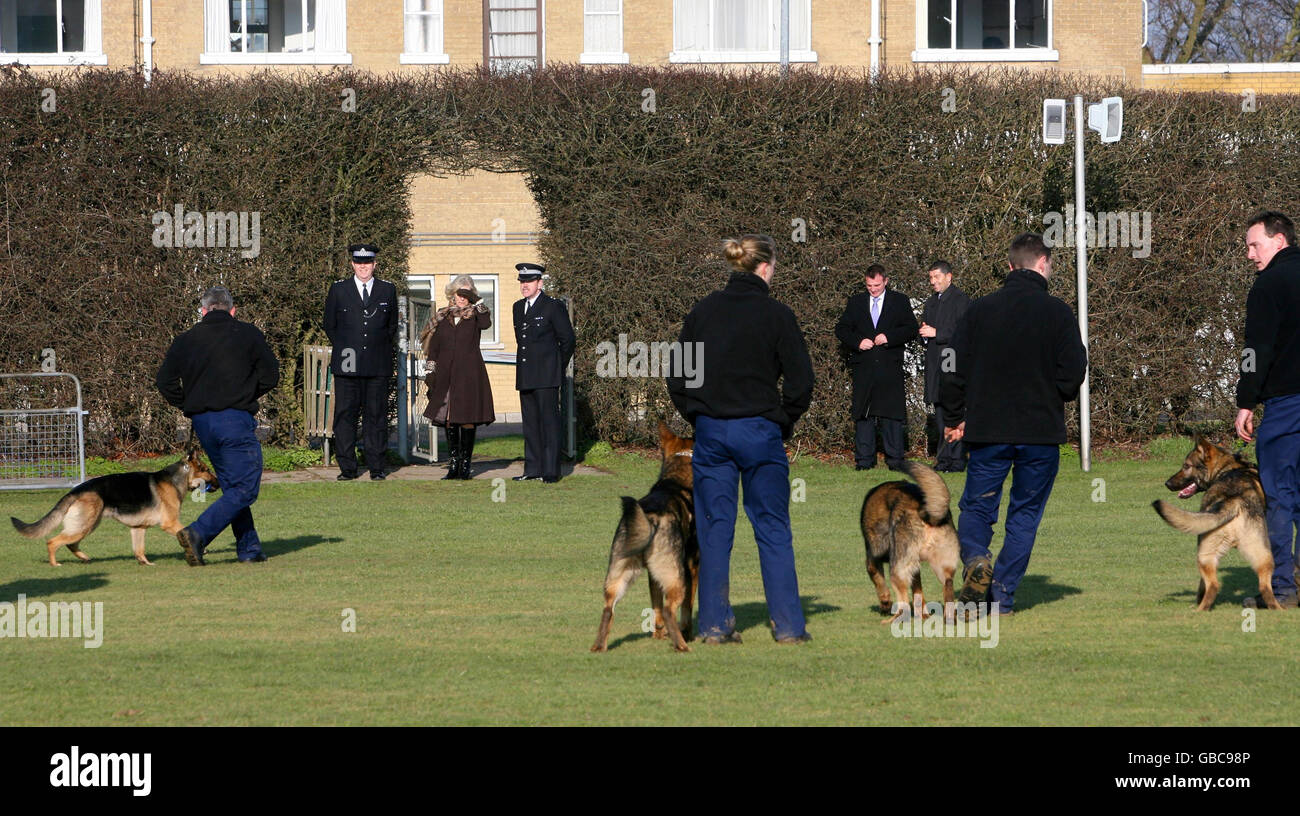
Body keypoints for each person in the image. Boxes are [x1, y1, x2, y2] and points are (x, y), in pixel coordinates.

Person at [667, 234, 816, 644]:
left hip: (712, 431)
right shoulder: (777, 315)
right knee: (772, 526)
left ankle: (715, 625)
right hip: (760, 430)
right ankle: (788, 626)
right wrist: (783, 420)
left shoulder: (703, 312)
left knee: (714, 528)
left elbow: (677, 379)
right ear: (765, 268)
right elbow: (802, 382)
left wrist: (698, 415)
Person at [941, 233, 1086, 615]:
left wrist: (955, 414)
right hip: (1040, 433)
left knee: (977, 507)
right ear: (1043, 264)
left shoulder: (979, 311)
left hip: (989, 430)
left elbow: (950, 366)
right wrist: (1051, 394)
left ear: (1009, 266)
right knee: (1024, 515)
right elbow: (1073, 373)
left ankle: (975, 557)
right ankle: (1002, 595)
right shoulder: (1058, 313)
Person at [156, 286, 280, 565]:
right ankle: (198, 532)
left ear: (203, 310)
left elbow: (164, 382)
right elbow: (271, 375)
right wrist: (247, 394)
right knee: (246, 488)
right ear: (232, 310)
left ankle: (249, 550)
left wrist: (188, 403)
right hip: (235, 420)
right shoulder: (248, 334)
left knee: (233, 485)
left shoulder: (185, 339)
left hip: (203, 422)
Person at [1235, 210, 1300, 609]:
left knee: (1278, 495)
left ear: (1279, 241)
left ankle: (1283, 588)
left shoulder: (1269, 285)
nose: (1249, 254)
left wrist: (1245, 401)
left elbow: (1253, 352)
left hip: (1286, 403)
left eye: (1254, 245)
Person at [324, 243, 398, 481]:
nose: (363, 267)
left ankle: (376, 467)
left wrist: (374, 349)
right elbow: (330, 325)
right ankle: (348, 468)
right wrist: (349, 349)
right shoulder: (339, 290)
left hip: (377, 363)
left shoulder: (387, 290)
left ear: (375, 264)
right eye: (359, 263)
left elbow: (391, 326)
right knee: (345, 415)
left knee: (376, 416)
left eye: (367, 263)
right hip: (348, 362)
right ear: (352, 264)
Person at [834, 264, 919, 470]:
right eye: (869, 285)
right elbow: (842, 328)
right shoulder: (856, 302)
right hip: (864, 366)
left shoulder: (899, 301)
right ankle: (864, 461)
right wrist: (857, 342)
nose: (873, 289)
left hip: (890, 366)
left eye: (877, 285)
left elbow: (911, 328)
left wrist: (889, 337)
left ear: (886, 281)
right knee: (863, 414)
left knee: (892, 414)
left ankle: (895, 460)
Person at [422, 275, 495, 480]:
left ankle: (465, 465)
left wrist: (477, 301)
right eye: (459, 293)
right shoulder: (443, 316)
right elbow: (434, 348)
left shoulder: (476, 315)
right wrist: (430, 370)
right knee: (449, 420)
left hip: (469, 374)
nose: (462, 298)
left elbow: (486, 323)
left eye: (466, 293)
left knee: (467, 419)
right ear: (452, 294)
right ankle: (453, 465)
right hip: (445, 375)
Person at [512, 263, 575, 483]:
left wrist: (556, 365)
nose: (524, 286)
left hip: (547, 374)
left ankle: (550, 470)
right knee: (530, 423)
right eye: (522, 281)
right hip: (526, 373)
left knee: (549, 422)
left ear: (540, 283)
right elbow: (523, 342)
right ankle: (533, 468)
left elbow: (567, 340)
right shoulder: (518, 308)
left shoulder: (552, 306)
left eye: (528, 281)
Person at [919, 261, 970, 472]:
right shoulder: (931, 302)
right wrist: (923, 332)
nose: (933, 282)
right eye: (930, 278)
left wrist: (936, 333)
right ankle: (944, 459)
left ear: (949, 276)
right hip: (934, 364)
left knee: (954, 412)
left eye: (936, 277)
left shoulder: (962, 301)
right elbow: (925, 329)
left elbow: (964, 332)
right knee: (940, 412)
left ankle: (957, 460)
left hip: (952, 363)